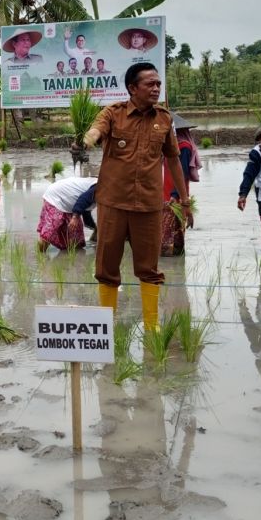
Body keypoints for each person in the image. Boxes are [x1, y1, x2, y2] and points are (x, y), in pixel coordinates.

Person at [83, 63, 190, 329]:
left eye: (158, 84)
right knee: (107, 268)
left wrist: (185, 201)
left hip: (148, 205)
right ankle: (106, 326)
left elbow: (174, 161)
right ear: (132, 88)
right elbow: (97, 130)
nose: (156, 89)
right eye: (149, 84)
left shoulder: (165, 119)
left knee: (149, 268)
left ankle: (152, 329)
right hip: (113, 204)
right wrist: (87, 140)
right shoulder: (113, 113)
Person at [161, 113, 200, 256]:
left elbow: (182, 173)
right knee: (168, 227)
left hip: (175, 194)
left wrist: (175, 194)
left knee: (172, 229)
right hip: (166, 192)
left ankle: (175, 265)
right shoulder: (169, 147)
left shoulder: (183, 146)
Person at [36, 176, 97, 252]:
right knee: (51, 230)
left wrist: (95, 228)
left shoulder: (100, 190)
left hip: (69, 202)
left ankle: (73, 258)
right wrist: (75, 217)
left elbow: (86, 212)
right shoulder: (99, 187)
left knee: (76, 236)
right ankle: (40, 255)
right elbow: (83, 200)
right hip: (56, 196)